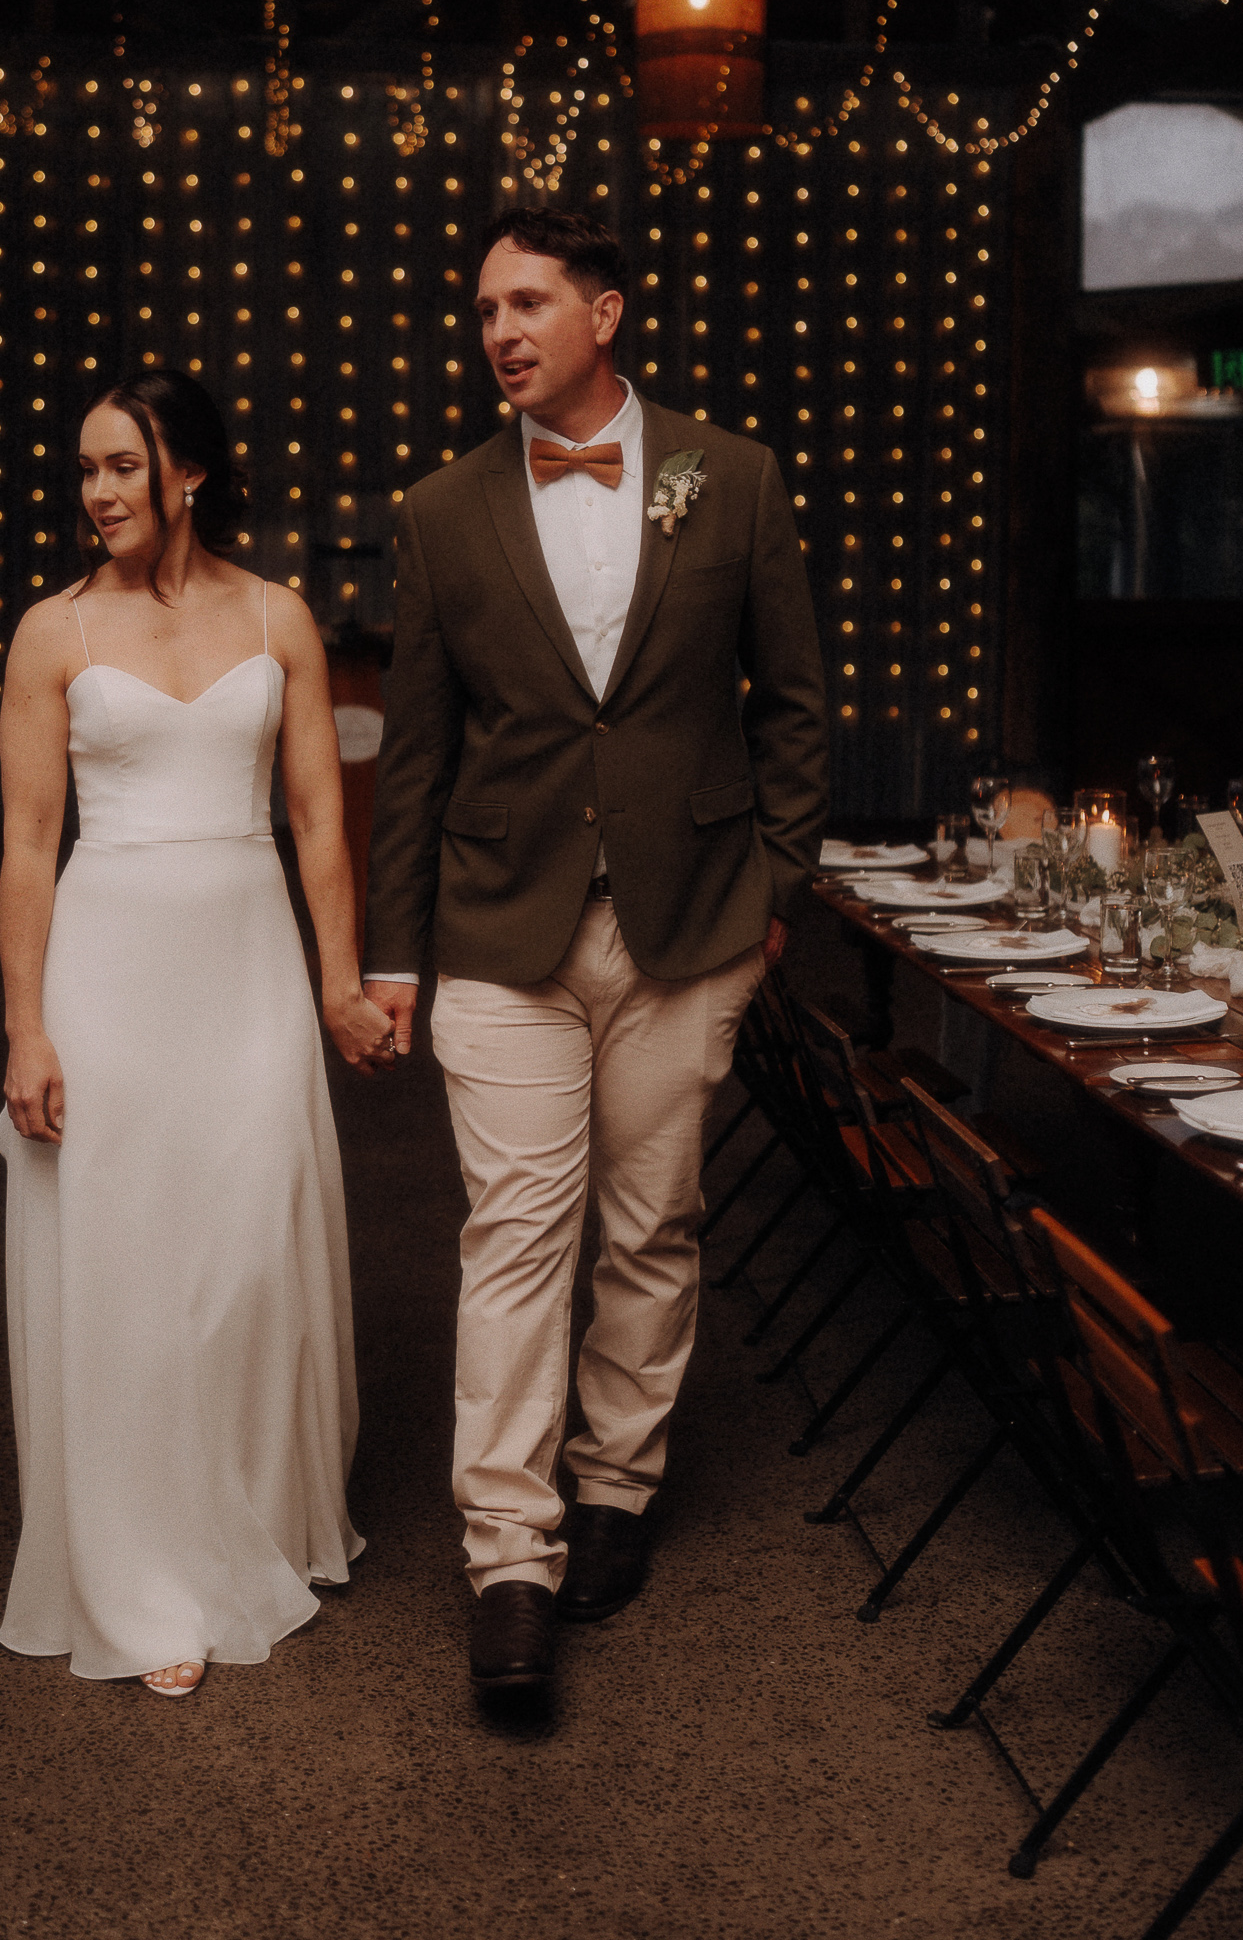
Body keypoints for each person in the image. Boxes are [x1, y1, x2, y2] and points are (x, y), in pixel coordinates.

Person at [362, 211, 828, 1697]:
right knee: (516, 1235)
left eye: (528, 302)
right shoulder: (438, 513)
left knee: (654, 1221)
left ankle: (618, 1481)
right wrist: (392, 954)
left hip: (693, 925)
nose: (499, 330)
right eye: (484, 308)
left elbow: (799, 708)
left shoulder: (733, 477)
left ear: (606, 311)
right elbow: (416, 756)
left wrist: (775, 889)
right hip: (500, 931)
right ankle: (510, 1548)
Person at [0, 368, 393, 1698]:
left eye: (122, 466)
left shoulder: (281, 620)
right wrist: (24, 1028)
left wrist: (340, 984)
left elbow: (324, 827)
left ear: (190, 474)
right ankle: (148, 1570)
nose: (99, 492)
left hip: (246, 972)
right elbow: (29, 850)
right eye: (87, 470)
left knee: (242, 1251)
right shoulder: (50, 634)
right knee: (126, 1266)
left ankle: (257, 1518)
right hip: (108, 970)